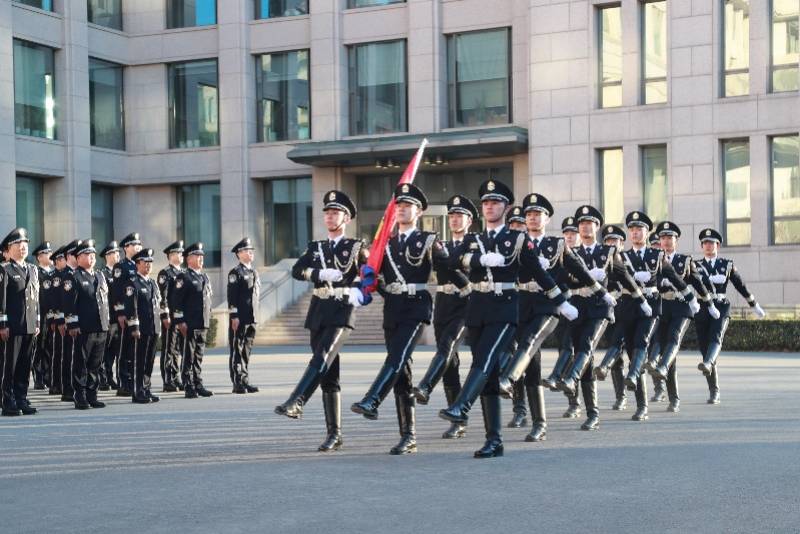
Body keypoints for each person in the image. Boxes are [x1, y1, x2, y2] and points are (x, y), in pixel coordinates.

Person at [440, 179, 567, 458]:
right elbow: (449, 263)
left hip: (506, 308)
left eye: (495, 202)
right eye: (485, 202)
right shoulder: (473, 240)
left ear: (506, 207)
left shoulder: (517, 239)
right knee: (487, 372)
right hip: (477, 308)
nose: (489, 206)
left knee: (486, 361)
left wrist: (561, 301)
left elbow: (538, 272)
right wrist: (476, 262)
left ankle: (461, 406)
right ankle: (494, 440)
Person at [351, 183, 448, 455]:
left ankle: (372, 399)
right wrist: (371, 285)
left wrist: (468, 290)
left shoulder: (428, 240)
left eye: (408, 206)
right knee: (402, 373)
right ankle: (409, 436)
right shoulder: (385, 243)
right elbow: (376, 277)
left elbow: (447, 271)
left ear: (418, 212)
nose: (402, 210)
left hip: (417, 307)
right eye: (399, 206)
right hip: (393, 309)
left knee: (396, 358)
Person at [276, 190, 369, 452]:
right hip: (318, 311)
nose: (330, 216)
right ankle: (334, 434)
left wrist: (358, 290)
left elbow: (369, 275)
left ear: (346, 218)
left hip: (342, 310)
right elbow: (296, 270)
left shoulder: (356, 247)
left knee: (322, 356)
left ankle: (297, 401)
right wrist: (317, 272)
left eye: (335, 212)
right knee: (328, 374)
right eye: (327, 212)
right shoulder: (315, 247)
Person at [556, 205, 644, 431]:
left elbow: (624, 276)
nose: (586, 226)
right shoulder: (569, 253)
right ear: (578, 228)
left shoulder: (608, 252)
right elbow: (562, 280)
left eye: (590, 223)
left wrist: (640, 298)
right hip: (576, 307)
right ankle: (592, 412)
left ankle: (570, 378)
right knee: (584, 357)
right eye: (582, 223)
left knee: (586, 344)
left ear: (597, 227)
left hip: (599, 308)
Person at [413, 194, 475, 440]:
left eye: (459, 216)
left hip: (467, 303)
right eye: (451, 216)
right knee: (450, 363)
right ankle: (457, 418)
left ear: (469, 220)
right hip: (443, 304)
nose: (454, 220)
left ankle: (426, 386)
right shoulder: (440, 245)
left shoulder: (476, 244)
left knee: (448, 346)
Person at [647, 221, 717, 412]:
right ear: (659, 241)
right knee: (663, 346)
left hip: (681, 307)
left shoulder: (684, 261)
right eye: (663, 238)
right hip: (661, 306)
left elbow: (698, 283)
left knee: (674, 337)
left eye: (670, 238)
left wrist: (709, 303)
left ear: (676, 241)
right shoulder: (652, 261)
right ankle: (673, 397)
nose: (666, 241)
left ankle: (660, 368)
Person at [694, 228, 765, 404]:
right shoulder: (694, 265)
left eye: (712, 243)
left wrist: (753, 304)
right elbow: (682, 283)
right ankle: (713, 387)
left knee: (716, 337)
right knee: (705, 348)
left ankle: (710, 369)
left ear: (718, 245)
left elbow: (740, 285)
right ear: (702, 246)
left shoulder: (727, 265)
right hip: (702, 307)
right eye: (705, 243)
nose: (709, 246)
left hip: (721, 306)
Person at [62, 239, 109, 410]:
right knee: (81, 363)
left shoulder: (99, 276)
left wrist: (107, 323)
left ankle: (92, 394)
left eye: (92, 254)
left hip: (100, 327)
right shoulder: (74, 277)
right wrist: (72, 325)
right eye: (87, 255)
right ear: (78, 258)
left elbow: (104, 302)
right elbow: (69, 304)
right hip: (84, 328)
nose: (91, 257)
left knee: (95, 364)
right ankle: (80, 395)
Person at [0, 228, 40, 416]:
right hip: (13, 326)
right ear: (9, 247)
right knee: (10, 366)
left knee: (25, 364)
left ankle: (21, 398)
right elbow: (2, 300)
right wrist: (3, 324)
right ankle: (7, 400)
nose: (23, 247)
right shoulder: (5, 269)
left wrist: (37, 321)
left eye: (25, 243)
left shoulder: (32, 269)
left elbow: (36, 297)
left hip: (29, 325)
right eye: (18, 244)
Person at [122, 248, 166, 404]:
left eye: (150, 263)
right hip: (140, 330)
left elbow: (160, 303)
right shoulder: (132, 283)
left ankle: (146, 389)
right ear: (137, 264)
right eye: (145, 262)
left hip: (153, 328)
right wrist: (134, 327)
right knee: (138, 361)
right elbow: (131, 307)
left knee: (149, 361)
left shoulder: (152, 283)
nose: (148, 265)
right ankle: (137, 391)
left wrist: (161, 322)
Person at [171, 242, 214, 399]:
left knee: (199, 355)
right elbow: (176, 301)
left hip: (202, 323)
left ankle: (198, 383)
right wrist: (180, 321)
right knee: (188, 355)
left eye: (202, 256)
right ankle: (188, 385)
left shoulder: (204, 277)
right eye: (197, 256)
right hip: (189, 323)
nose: (201, 258)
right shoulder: (184, 277)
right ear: (189, 259)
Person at [227, 237, 261, 394]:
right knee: (237, 349)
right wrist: (234, 316)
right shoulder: (236, 273)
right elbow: (232, 296)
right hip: (239, 318)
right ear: (239, 254)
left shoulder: (253, 271)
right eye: (248, 251)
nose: (251, 253)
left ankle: (245, 380)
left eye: (251, 250)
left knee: (246, 350)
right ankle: (237, 382)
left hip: (251, 317)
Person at [112, 233, 142, 397]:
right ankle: (123, 382)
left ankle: (134, 380)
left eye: (139, 244)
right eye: (134, 245)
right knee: (124, 349)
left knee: (134, 349)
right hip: (125, 314)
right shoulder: (121, 267)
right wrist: (120, 312)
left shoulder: (140, 265)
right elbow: (116, 292)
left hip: (137, 314)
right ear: (126, 248)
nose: (137, 247)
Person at [157, 240, 184, 392]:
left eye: (181, 253)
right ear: (171, 255)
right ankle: (168, 380)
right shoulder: (166, 273)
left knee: (178, 349)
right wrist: (165, 315)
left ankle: (176, 377)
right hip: (170, 317)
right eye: (178, 253)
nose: (181, 255)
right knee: (169, 348)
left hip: (181, 318)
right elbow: (163, 296)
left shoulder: (183, 272)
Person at [31, 241, 53, 390]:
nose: (49, 255)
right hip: (41, 314)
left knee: (50, 347)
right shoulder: (36, 272)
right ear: (39, 257)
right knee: (39, 346)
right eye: (46, 253)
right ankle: (38, 376)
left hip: (52, 315)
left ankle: (48, 376)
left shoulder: (53, 273)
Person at [99, 241, 120, 391]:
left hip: (119, 319)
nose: (118, 255)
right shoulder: (103, 274)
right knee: (104, 351)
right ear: (108, 256)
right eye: (114, 253)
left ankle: (110, 376)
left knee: (114, 351)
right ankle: (103, 378)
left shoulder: (119, 273)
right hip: (108, 318)